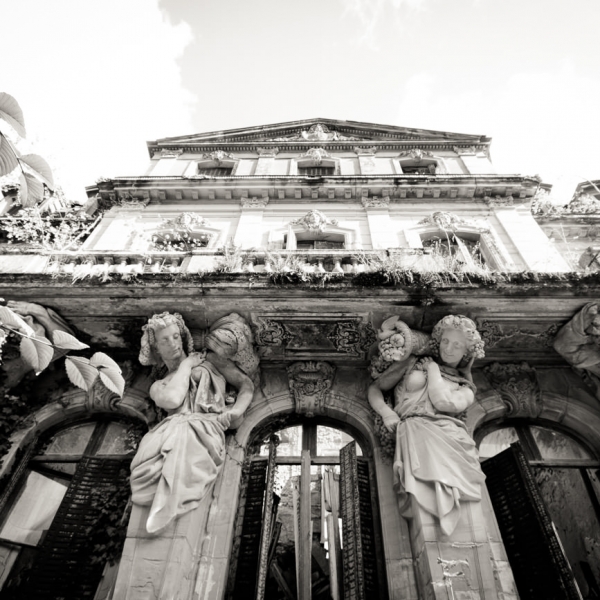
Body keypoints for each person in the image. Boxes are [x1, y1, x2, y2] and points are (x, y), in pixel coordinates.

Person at [130, 312, 255, 534]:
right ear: (156, 348)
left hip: (202, 429)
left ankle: (165, 507)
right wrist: (186, 365)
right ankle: (161, 507)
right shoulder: (159, 385)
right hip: (169, 431)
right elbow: (173, 399)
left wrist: (235, 411)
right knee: (170, 443)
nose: (173, 343)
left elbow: (246, 385)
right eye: (165, 340)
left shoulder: (211, 361)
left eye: (176, 336)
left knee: (183, 440)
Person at [368, 314, 485, 536]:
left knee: (462, 514)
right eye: (445, 342)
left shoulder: (465, 388)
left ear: (466, 352)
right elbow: (375, 388)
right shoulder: (412, 364)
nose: (448, 349)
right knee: (422, 501)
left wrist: (432, 370)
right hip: (414, 430)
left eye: (457, 345)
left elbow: (442, 401)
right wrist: (386, 413)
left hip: (450, 440)